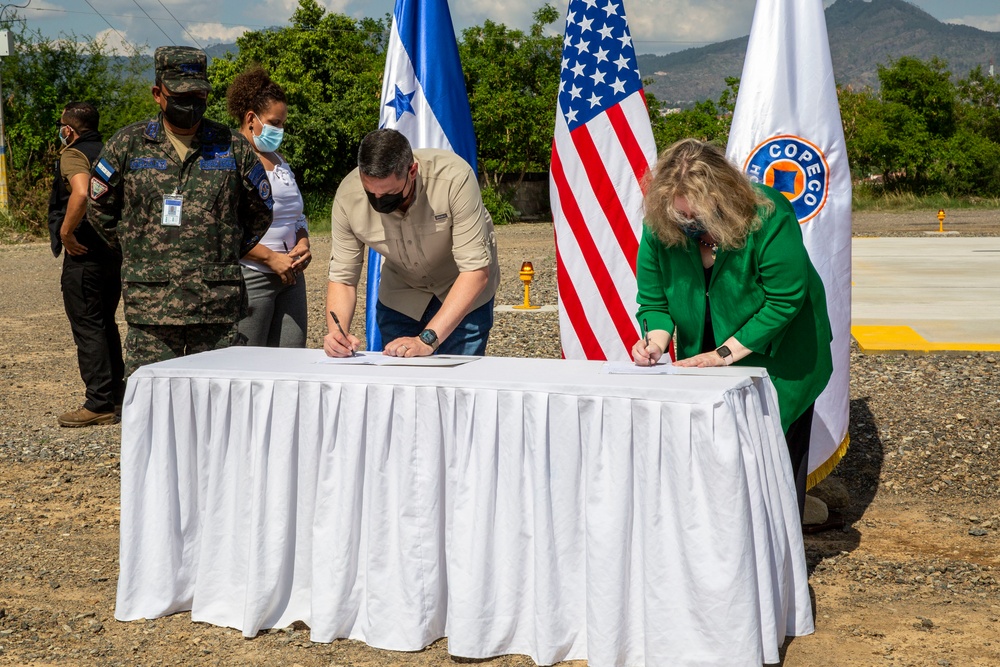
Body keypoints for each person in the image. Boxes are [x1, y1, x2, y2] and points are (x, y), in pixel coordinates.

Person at [631, 138, 833, 518]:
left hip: (783, 355)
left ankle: (779, 563)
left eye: (698, 217)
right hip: (706, 356)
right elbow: (655, 302)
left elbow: (785, 300)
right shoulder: (661, 223)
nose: (690, 226)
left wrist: (724, 354)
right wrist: (655, 343)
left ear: (724, 196)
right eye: (681, 217)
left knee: (773, 466)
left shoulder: (768, 214)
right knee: (715, 465)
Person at [88, 46, 273, 376]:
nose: (191, 103)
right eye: (181, 95)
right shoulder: (128, 145)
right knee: (152, 408)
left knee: (218, 407)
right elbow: (99, 209)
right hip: (152, 308)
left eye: (199, 94)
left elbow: (260, 211)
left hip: (215, 305)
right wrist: (137, 249)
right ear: (158, 94)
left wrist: (224, 249)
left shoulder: (232, 146)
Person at [323, 129, 499, 358]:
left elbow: (475, 271)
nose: (379, 201)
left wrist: (427, 340)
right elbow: (343, 279)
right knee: (399, 388)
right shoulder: (347, 198)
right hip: (401, 296)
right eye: (370, 193)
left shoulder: (455, 179)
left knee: (455, 388)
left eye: (389, 195)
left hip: (459, 291)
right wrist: (337, 333)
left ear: (412, 171)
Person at [47, 102, 125, 427]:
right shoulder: (110, 150)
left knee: (88, 326)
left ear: (70, 129)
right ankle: (117, 396)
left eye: (62, 125)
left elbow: (80, 192)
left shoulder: (73, 153)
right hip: (113, 253)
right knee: (105, 323)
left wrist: (65, 233)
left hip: (84, 254)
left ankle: (98, 403)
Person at [226, 67, 311, 347]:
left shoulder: (278, 158)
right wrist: (269, 258)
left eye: (283, 124)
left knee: (291, 360)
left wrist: (303, 241)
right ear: (251, 119)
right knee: (247, 366)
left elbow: (296, 215)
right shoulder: (229, 159)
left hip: (290, 275)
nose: (280, 130)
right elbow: (224, 227)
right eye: (275, 123)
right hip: (252, 275)